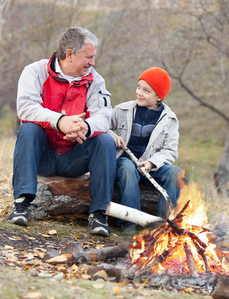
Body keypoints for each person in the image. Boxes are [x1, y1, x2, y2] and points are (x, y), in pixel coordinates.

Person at [8, 26, 116, 237]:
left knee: (105, 141)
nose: (93, 63)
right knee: (28, 129)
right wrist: (60, 121)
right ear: (69, 55)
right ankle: (21, 204)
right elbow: (26, 108)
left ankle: (99, 214)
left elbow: (104, 116)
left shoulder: (96, 80)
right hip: (43, 156)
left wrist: (85, 126)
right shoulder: (35, 71)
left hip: (74, 157)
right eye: (89, 57)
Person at [108, 67, 184, 233]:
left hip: (151, 167)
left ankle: (165, 224)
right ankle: (130, 222)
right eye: (138, 87)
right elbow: (103, 126)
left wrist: (151, 163)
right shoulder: (123, 110)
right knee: (127, 167)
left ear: (158, 97)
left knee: (175, 172)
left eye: (146, 91)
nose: (139, 93)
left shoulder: (170, 120)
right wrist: (112, 136)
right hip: (126, 162)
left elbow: (170, 151)